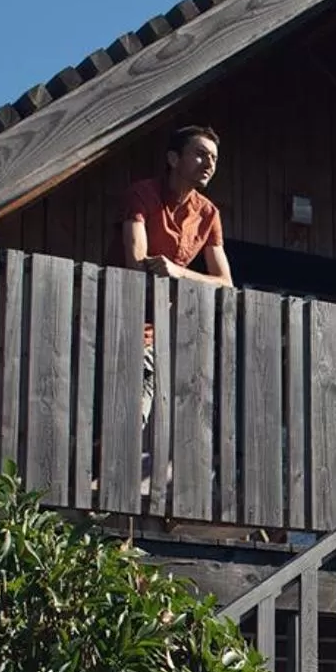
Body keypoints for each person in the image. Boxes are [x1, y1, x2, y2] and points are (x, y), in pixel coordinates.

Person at [124, 127, 234, 441]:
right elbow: (136, 263)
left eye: (214, 158)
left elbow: (225, 283)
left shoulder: (208, 214)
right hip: (120, 320)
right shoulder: (142, 195)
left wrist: (179, 272)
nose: (209, 163)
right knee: (121, 416)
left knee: (155, 422)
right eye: (200, 154)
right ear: (173, 158)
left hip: (165, 333)